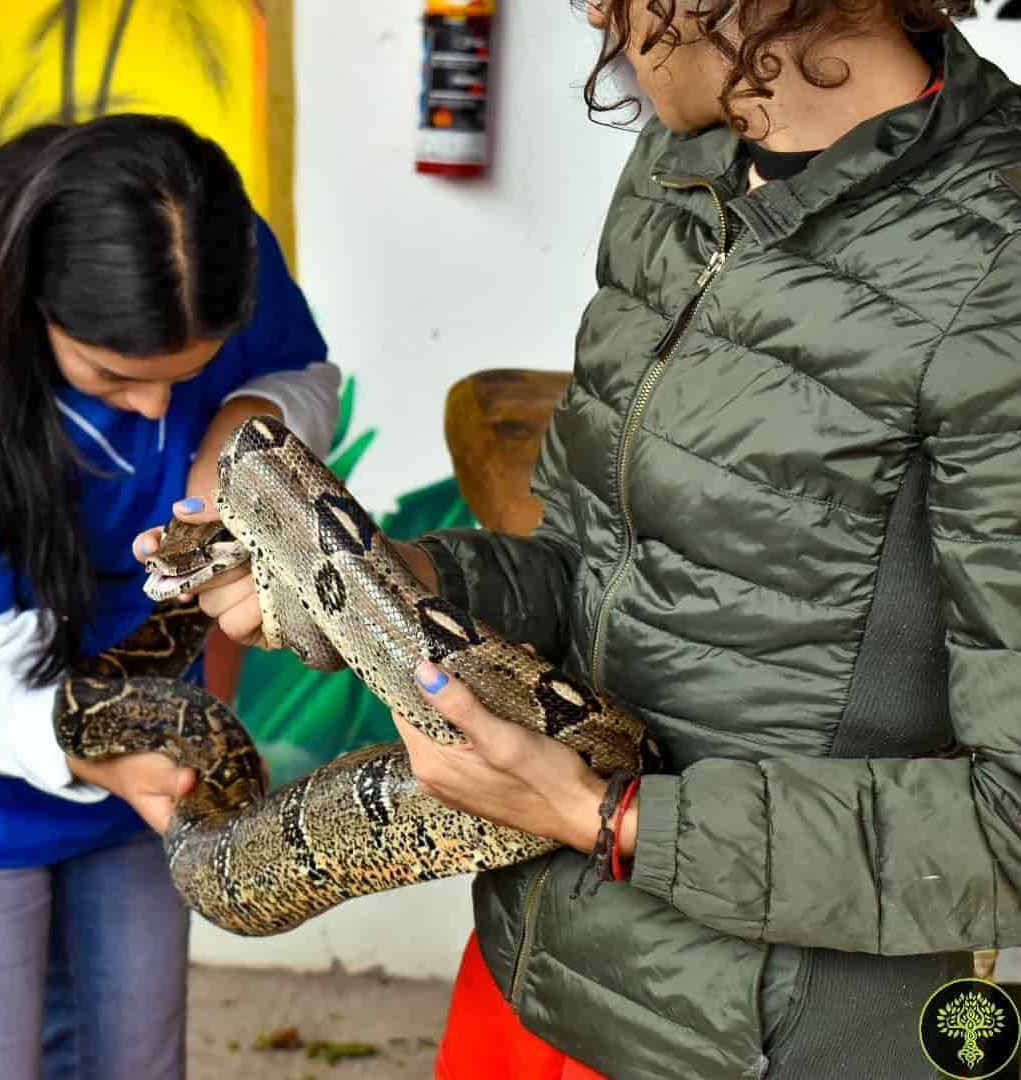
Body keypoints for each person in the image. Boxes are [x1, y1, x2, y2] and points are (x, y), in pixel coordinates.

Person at [148, 3, 1021, 1077]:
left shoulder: (999, 261)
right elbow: (583, 564)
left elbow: (1010, 825)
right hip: (539, 973)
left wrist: (605, 816)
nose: (596, 12)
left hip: (774, 1041)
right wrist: (384, 584)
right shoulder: (683, 158)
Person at [0, 113, 337, 1080]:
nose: (152, 412)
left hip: (144, 752)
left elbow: (300, 373)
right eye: (114, 377)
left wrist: (241, 433)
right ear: (29, 302)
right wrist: (120, 762)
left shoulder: (210, 257)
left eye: (182, 379)